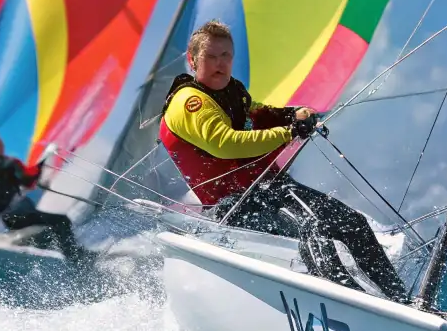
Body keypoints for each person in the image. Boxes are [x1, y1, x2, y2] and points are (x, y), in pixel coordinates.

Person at [159, 20, 408, 302]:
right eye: (211, 57)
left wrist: (293, 115)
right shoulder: (189, 101)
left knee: (353, 222)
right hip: (236, 205)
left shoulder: (233, 93)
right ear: (193, 61)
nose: (220, 63)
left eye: (226, 55)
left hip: (272, 190)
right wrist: (288, 132)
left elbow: (262, 113)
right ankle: (353, 303)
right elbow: (223, 144)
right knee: (316, 229)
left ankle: (405, 302)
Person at [0, 130, 87, 264]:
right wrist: (44, 158)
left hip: (8, 219)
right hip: (17, 216)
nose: (1, 144)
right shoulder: (6, 163)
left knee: (47, 223)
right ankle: (77, 259)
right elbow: (29, 180)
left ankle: (66, 255)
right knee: (61, 220)